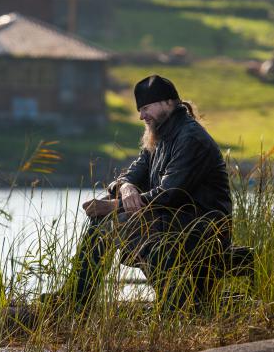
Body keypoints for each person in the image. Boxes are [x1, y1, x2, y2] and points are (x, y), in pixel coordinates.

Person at [67, 75, 233, 310]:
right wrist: (125, 187)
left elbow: (169, 193)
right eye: (139, 109)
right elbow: (132, 174)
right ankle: (75, 300)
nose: (141, 115)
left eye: (145, 108)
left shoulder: (190, 138)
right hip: (171, 220)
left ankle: (180, 305)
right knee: (105, 218)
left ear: (168, 103)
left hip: (203, 227)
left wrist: (115, 207)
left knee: (113, 220)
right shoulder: (158, 136)